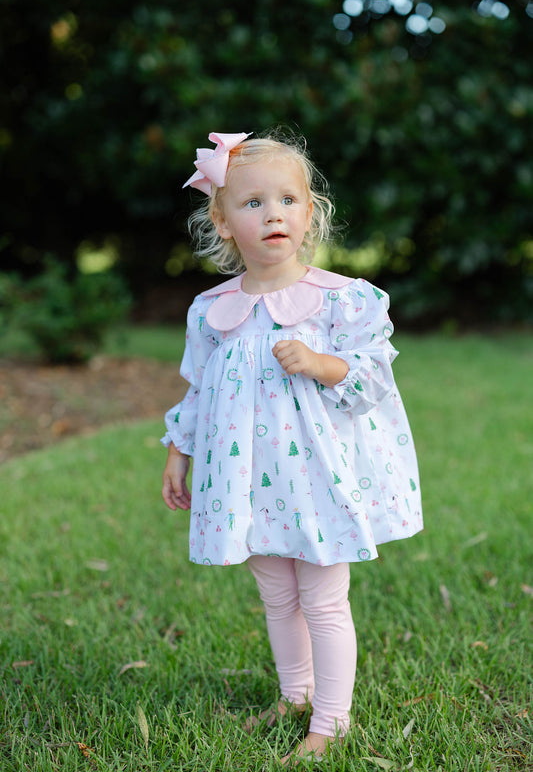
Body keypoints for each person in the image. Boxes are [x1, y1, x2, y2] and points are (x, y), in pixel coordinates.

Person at [161, 130, 423, 764]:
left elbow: (368, 382)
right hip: (249, 481)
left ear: (310, 212)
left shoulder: (340, 300)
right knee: (277, 595)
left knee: (324, 599)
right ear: (222, 223)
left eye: (287, 199)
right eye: (252, 203)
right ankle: (296, 694)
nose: (272, 213)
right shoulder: (212, 311)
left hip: (317, 479)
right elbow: (197, 392)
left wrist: (317, 362)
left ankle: (333, 722)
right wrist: (179, 450)